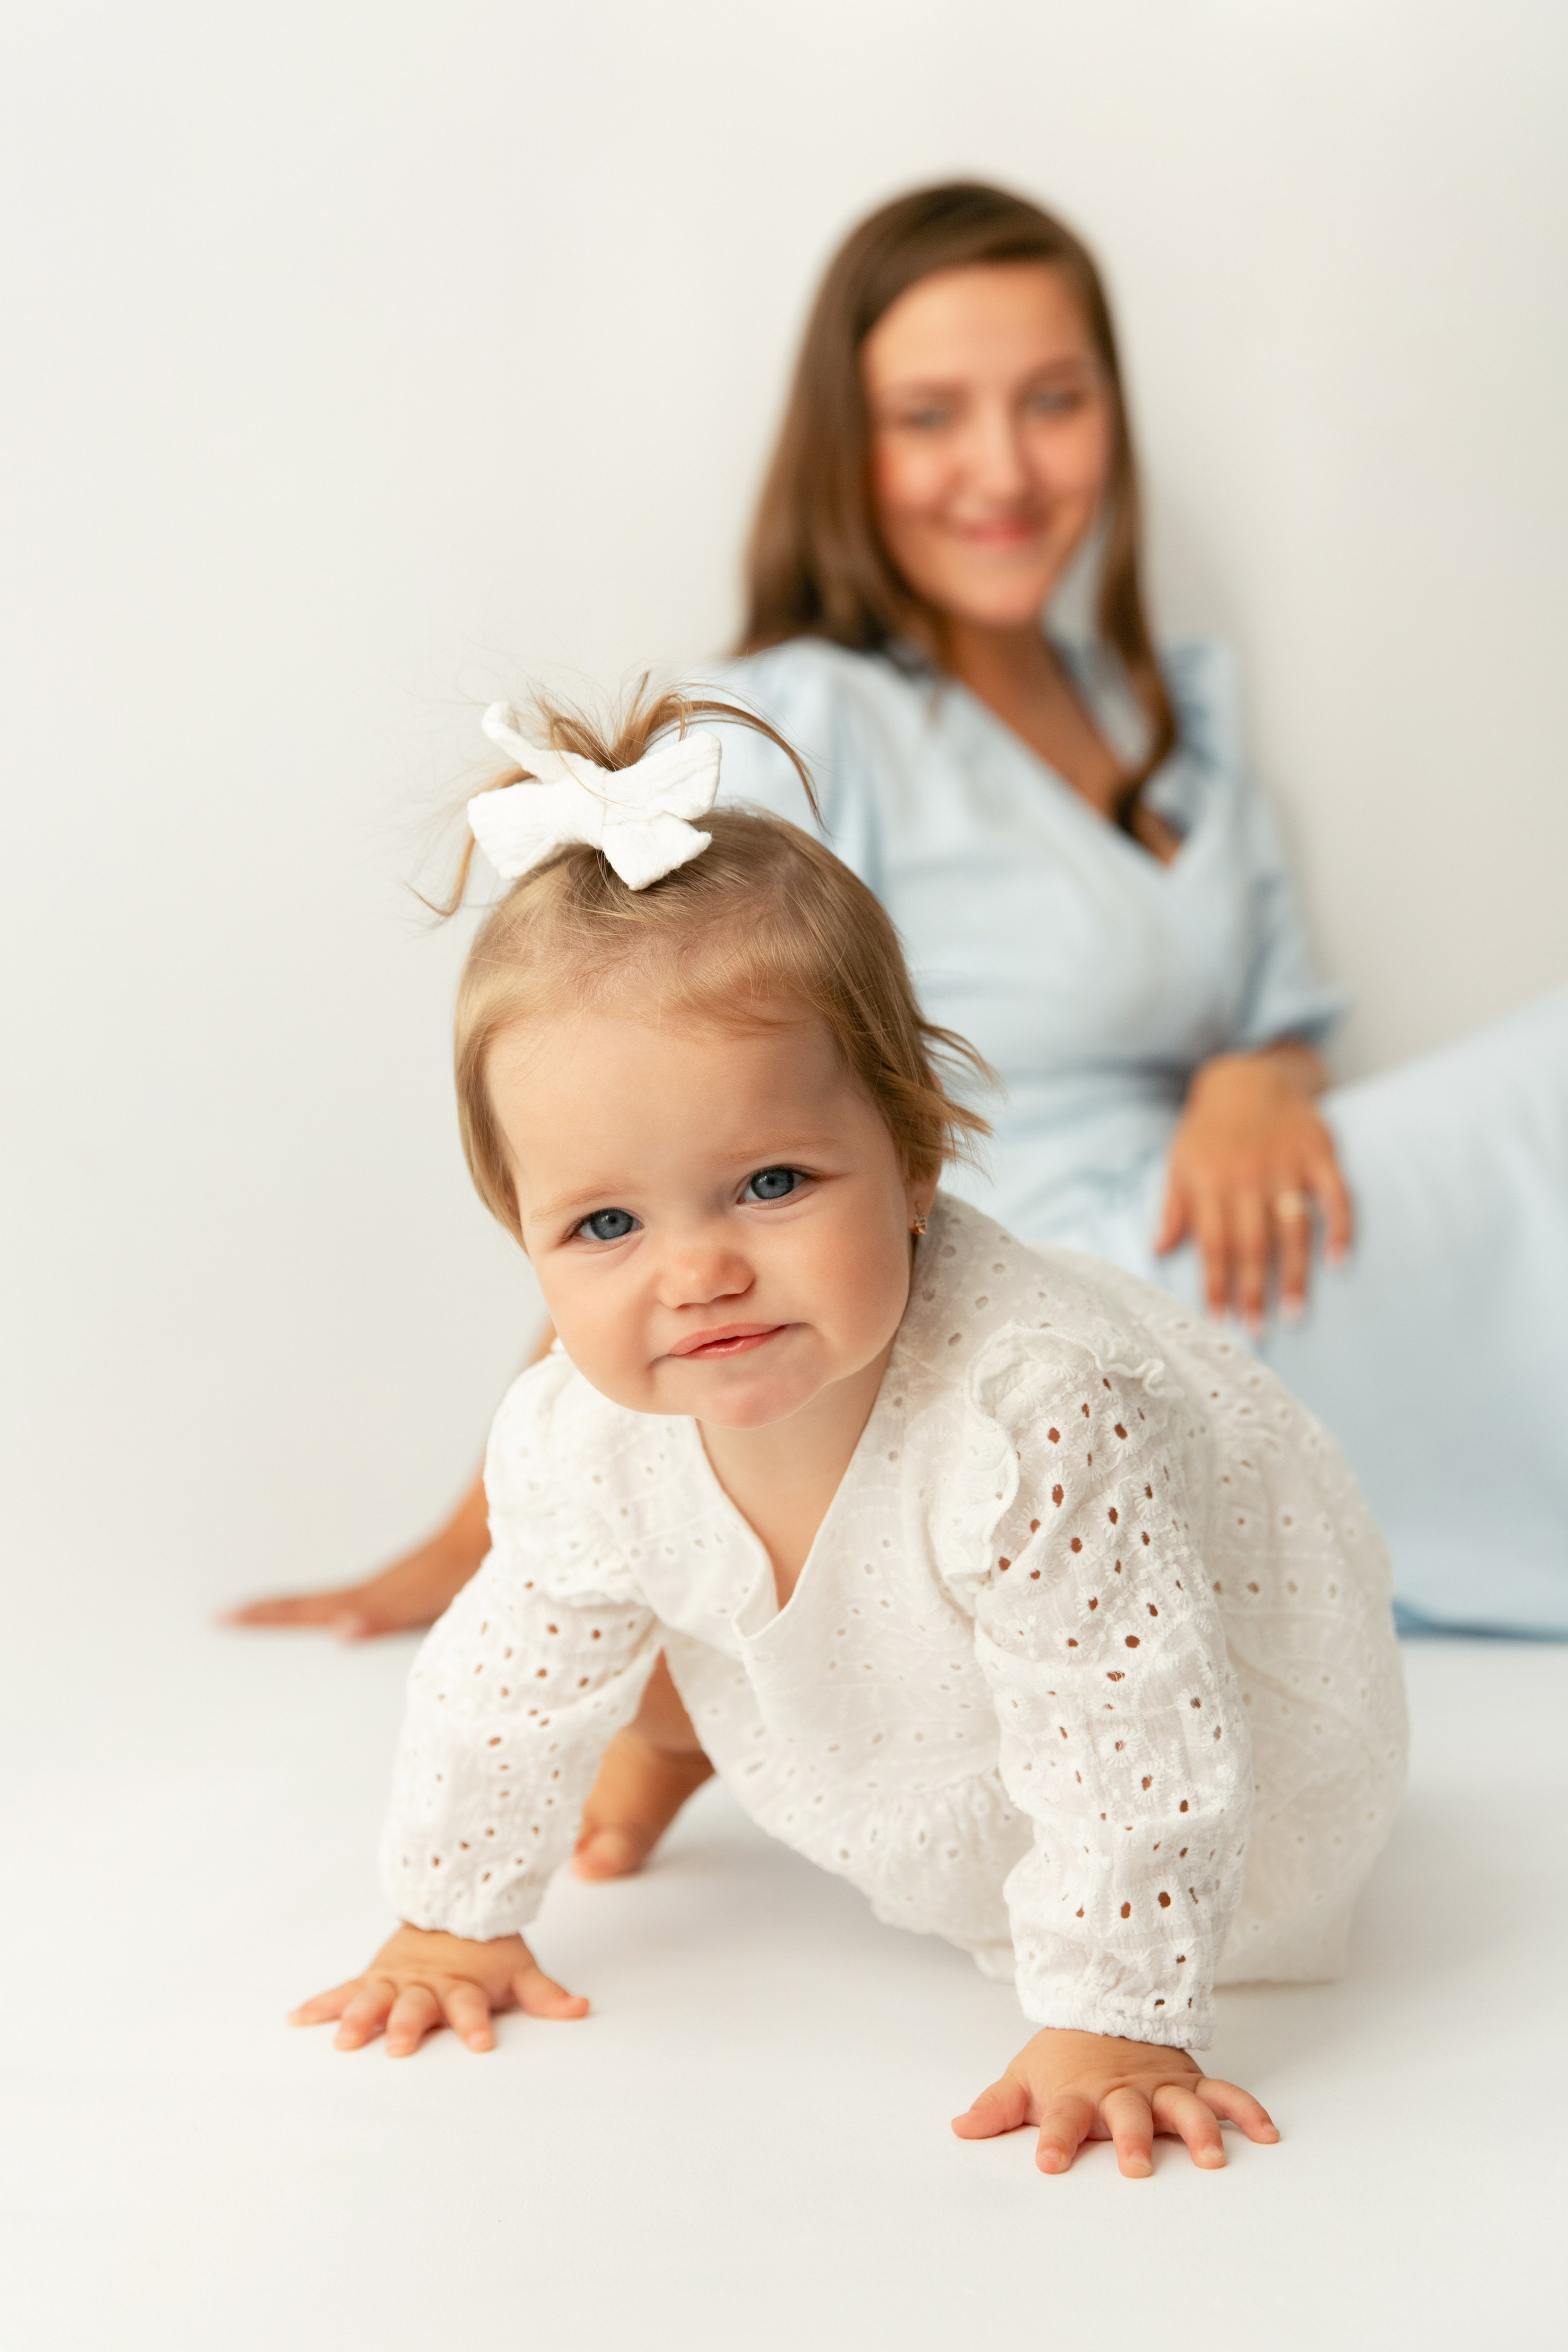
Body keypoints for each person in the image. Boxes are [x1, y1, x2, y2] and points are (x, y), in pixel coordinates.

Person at [232, 181, 1568, 1851]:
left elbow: (1275, 1007)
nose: (1002, 469)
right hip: (1019, 1274)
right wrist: (497, 1518)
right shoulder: (815, 722)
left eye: (1052, 402)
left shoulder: (1171, 713)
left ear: (1113, 424)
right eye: (931, 415)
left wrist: (1252, 1073)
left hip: (1243, 1219)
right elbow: (676, 1116)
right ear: (844, 453)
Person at [289, 686, 1408, 2182]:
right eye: (606, 1223)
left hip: (1193, 1728)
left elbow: (1127, 1721)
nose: (697, 1274)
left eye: (770, 1184)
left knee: (1046, 1685)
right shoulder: (579, 1426)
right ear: (528, 1243)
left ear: (913, 1156)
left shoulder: (1028, 1413)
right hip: (896, 1676)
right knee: (621, 1582)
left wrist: (1111, 2015)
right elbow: (496, 1682)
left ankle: (723, 1751)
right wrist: (450, 1915)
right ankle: (680, 1733)